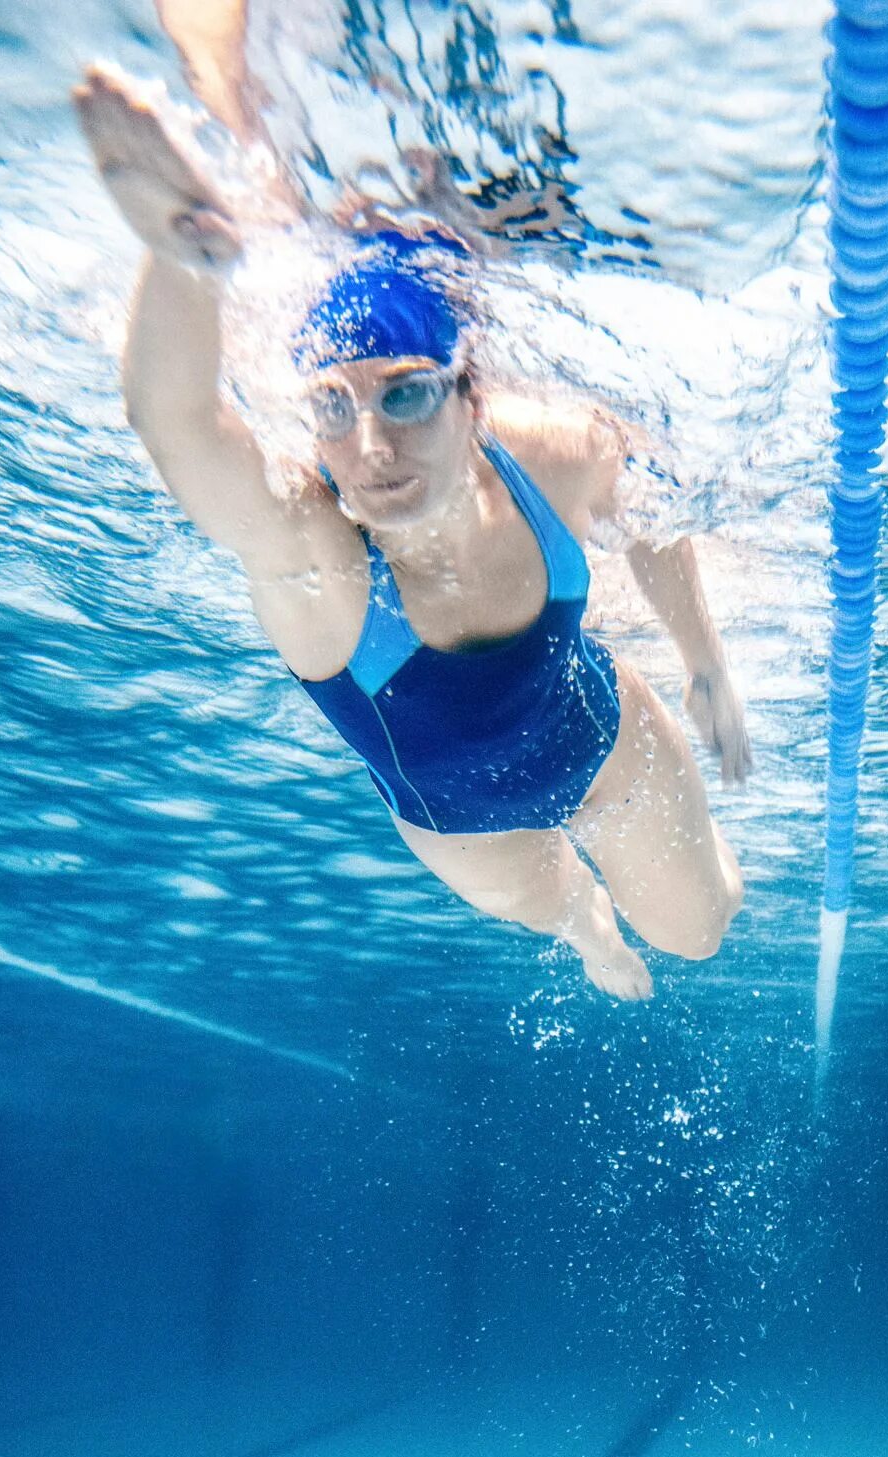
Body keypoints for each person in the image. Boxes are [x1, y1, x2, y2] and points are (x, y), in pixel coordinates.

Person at [72, 24, 748, 1001]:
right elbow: (174, 420)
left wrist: (705, 663)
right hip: (467, 830)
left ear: (470, 399)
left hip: (603, 740)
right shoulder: (318, 561)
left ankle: (616, 899)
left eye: (405, 396)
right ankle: (586, 928)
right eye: (333, 410)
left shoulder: (547, 451)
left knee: (701, 931)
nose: (371, 450)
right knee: (570, 917)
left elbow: (646, 510)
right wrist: (182, 250)